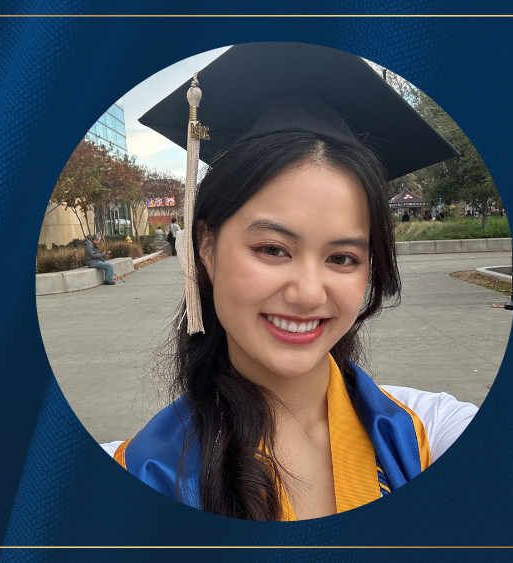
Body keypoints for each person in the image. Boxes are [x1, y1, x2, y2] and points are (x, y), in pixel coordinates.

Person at [107, 43, 475, 521]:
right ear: (206, 246)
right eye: (272, 250)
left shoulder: (421, 431)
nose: (307, 293)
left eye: (342, 257)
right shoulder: (145, 470)